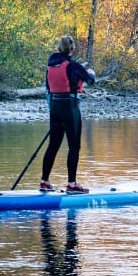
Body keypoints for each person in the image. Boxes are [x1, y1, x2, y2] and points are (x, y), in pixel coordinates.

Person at [40, 35, 96, 193]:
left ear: (59, 48)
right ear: (72, 49)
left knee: (53, 145)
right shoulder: (73, 66)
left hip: (55, 107)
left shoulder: (50, 66)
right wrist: (90, 73)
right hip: (70, 108)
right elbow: (91, 80)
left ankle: (44, 181)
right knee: (74, 146)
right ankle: (72, 184)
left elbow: (48, 88)